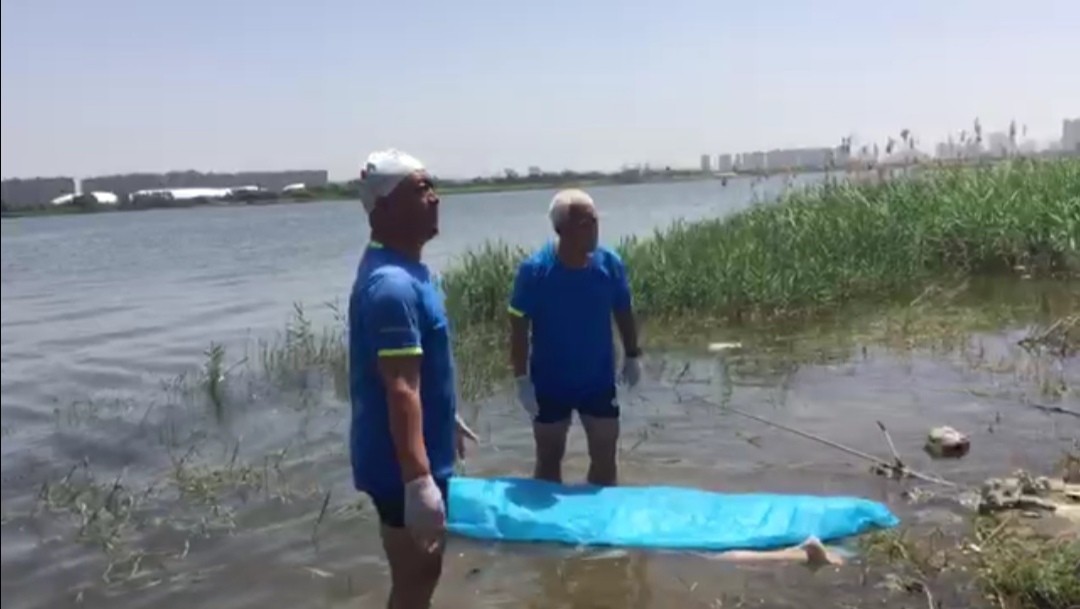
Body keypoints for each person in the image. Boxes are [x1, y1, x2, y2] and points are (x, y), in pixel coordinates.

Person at [348, 148, 478, 609]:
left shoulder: (409, 270)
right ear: (384, 207)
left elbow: (413, 371)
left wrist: (446, 415)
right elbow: (400, 386)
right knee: (416, 575)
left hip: (411, 453)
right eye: (421, 190)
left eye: (432, 187)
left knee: (421, 573)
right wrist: (418, 481)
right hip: (397, 467)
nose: (435, 198)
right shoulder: (392, 285)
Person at [508, 188, 642, 487]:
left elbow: (623, 309)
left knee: (605, 459)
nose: (593, 228)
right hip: (550, 383)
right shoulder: (535, 271)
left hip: (597, 380)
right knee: (548, 459)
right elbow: (517, 326)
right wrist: (521, 380)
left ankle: (599, 514)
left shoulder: (609, 264)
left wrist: (632, 355)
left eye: (595, 221)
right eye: (584, 223)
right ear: (561, 229)